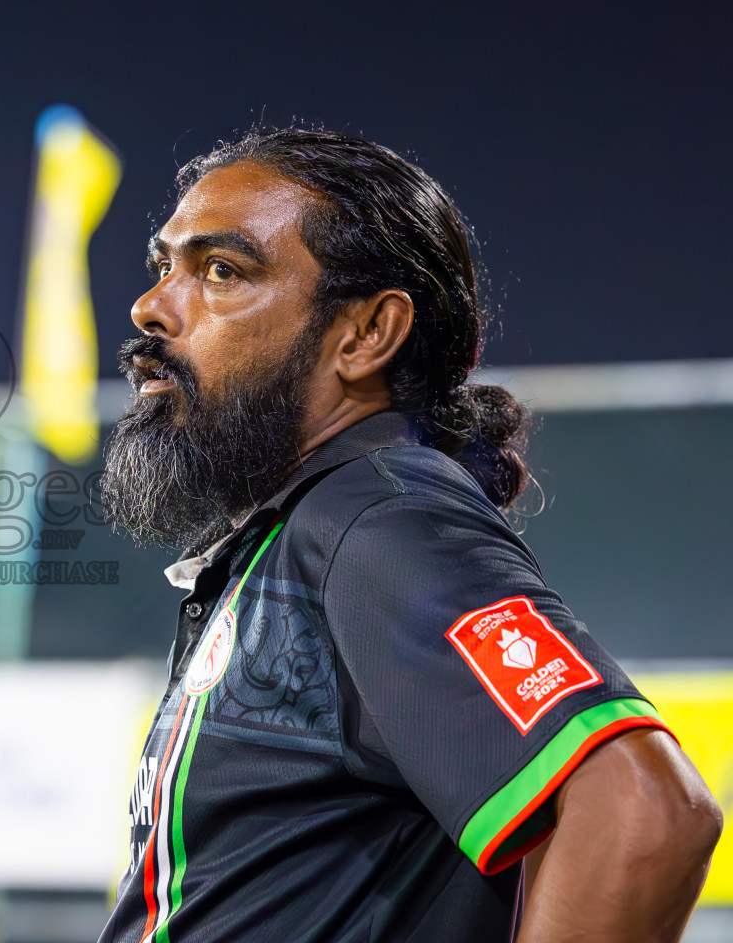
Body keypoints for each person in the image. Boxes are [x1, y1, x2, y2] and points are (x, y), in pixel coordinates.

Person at [96, 128, 722, 943]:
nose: (152, 306)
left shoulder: (380, 520)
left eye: (221, 270)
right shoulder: (300, 532)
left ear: (364, 335)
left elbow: (645, 817)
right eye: (164, 267)